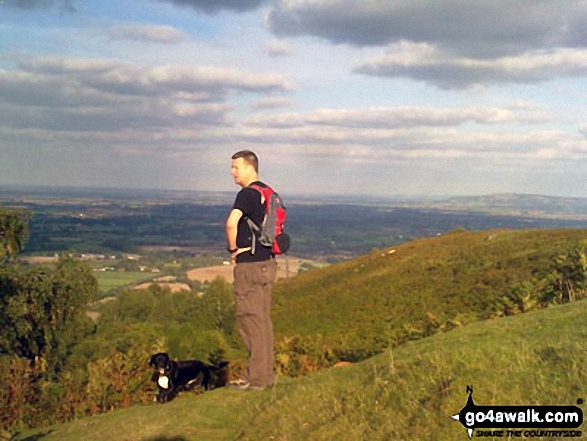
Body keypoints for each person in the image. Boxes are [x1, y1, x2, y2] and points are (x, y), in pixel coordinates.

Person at [225, 150, 278, 391]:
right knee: (263, 322)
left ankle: (256, 380)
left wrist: (233, 250)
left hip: (249, 266)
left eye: (236, 167)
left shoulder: (246, 194)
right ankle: (264, 376)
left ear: (249, 167)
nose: (232, 172)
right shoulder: (268, 193)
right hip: (268, 264)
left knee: (249, 322)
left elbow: (231, 222)